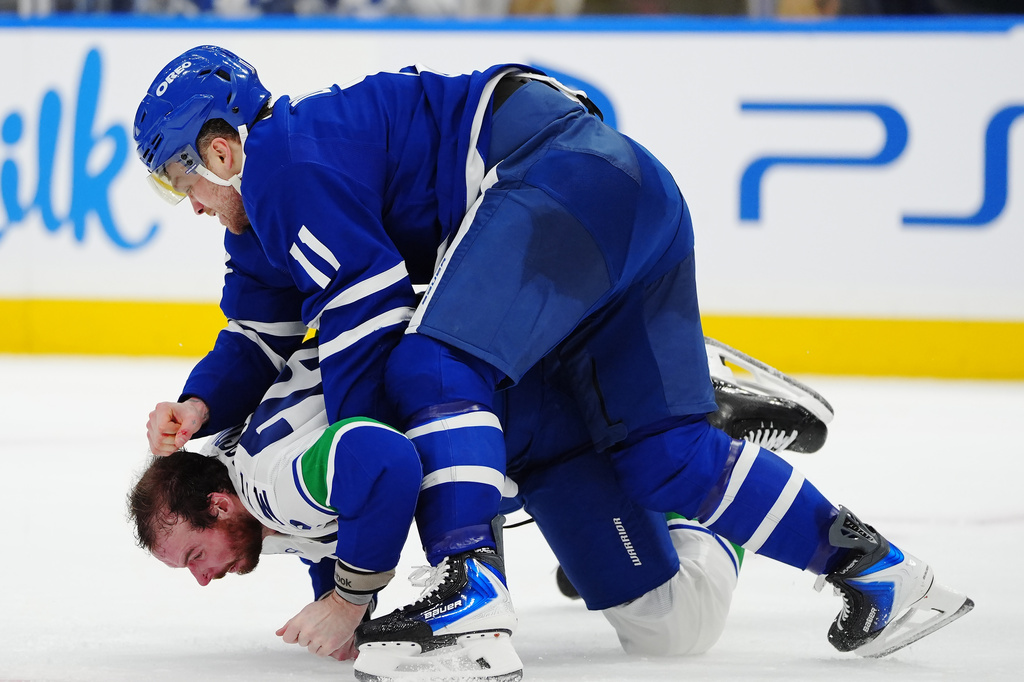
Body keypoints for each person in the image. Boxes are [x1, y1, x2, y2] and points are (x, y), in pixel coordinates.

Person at [133, 46, 971, 676]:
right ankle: (884, 576)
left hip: (551, 176)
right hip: (623, 194)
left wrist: (357, 569)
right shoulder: (266, 224)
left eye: (180, 180)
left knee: (429, 370)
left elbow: (366, 295)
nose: (191, 203)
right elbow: (254, 335)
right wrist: (200, 406)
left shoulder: (283, 166)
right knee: (667, 463)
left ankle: (472, 592)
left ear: (221, 148)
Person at [130, 338, 773, 675]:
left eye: (194, 556)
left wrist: (348, 599)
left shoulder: (270, 483)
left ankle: (694, 417)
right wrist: (342, 603)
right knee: (473, 569)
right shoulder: (239, 467)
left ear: (219, 504)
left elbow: (379, 461)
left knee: (673, 628)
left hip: (537, 426)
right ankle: (653, 442)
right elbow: (329, 523)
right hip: (490, 417)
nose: (204, 576)